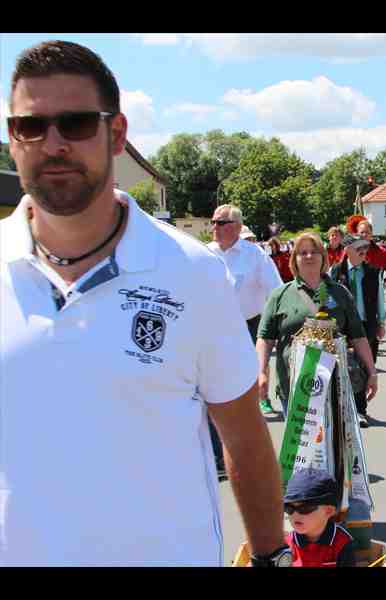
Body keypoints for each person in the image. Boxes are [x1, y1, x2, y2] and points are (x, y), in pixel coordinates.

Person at [1, 39, 287, 566]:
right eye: (30, 126)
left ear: (116, 134)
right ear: (13, 139)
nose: (53, 143)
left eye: (77, 123)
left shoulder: (193, 272)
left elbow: (244, 435)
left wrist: (271, 556)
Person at [256, 232, 378, 417]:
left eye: (314, 251)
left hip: (335, 386)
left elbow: (358, 337)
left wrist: (372, 372)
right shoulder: (280, 295)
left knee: (333, 444)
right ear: (294, 259)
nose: (309, 256)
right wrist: (261, 372)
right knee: (299, 444)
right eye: (302, 252)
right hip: (294, 387)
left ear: (323, 257)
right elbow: (265, 339)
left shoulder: (341, 293)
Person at [207, 203, 283, 433]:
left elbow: (275, 291)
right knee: (214, 385)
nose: (214, 227)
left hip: (248, 327)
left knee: (245, 384)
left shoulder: (254, 255)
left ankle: (247, 430)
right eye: (213, 222)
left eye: (220, 222)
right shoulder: (204, 253)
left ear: (237, 227)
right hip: (213, 329)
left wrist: (275, 331)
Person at [330, 234, 386, 427]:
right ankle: (343, 406)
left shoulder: (373, 271)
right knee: (344, 366)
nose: (363, 252)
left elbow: (380, 297)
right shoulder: (335, 271)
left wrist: (381, 322)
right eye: (358, 249)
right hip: (343, 326)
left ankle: (360, 410)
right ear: (347, 250)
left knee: (364, 367)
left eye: (365, 249)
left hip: (366, 323)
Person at [284, 469, 356, 567]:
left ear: (329, 511)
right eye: (289, 508)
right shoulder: (286, 544)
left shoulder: (342, 543)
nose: (295, 515)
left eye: (305, 508)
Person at [356, 219, 386, 286]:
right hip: (354, 293)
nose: (364, 235)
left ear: (371, 234)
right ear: (357, 234)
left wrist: (385, 284)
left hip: (374, 294)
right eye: (362, 232)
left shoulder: (382, 252)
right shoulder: (350, 252)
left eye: (367, 232)